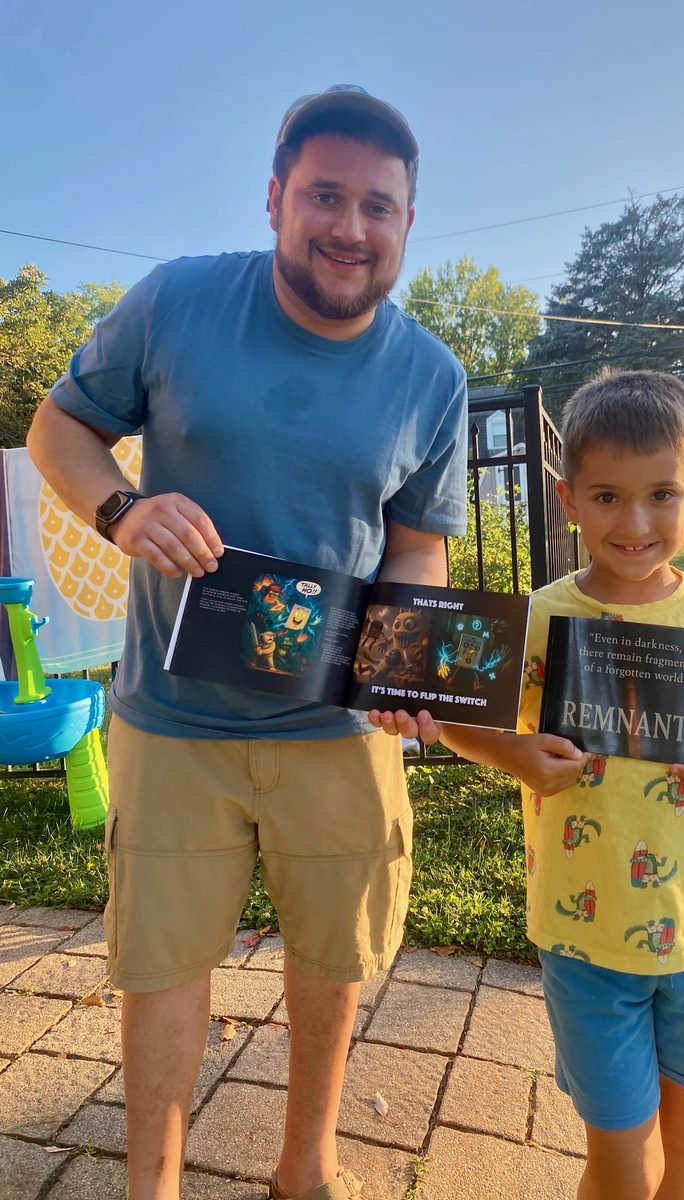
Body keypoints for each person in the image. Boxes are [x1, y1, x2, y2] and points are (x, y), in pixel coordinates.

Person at [27, 85, 468, 1200]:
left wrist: (407, 656)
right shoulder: (177, 303)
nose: (349, 227)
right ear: (276, 197)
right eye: (325, 193)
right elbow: (57, 424)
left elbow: (419, 552)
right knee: (163, 964)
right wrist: (121, 508)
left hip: (340, 726)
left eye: (379, 206)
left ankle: (306, 1167)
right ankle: (154, 1186)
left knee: (336, 957)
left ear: (408, 224)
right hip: (173, 720)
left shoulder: (434, 379)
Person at [375, 369, 684, 1200]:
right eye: (607, 496)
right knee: (619, 1145)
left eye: (661, 495)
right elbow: (446, 708)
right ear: (569, 499)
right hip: (587, 933)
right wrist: (512, 754)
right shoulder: (538, 618)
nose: (635, 523)